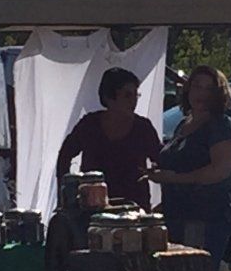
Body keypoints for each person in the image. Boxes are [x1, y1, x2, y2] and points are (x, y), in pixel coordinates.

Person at [149, 64, 231, 270]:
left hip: (204, 218)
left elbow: (219, 171)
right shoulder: (184, 124)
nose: (201, 93)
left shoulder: (221, 126)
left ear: (218, 94)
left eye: (209, 88)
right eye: (197, 86)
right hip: (176, 215)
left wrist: (173, 178)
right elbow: (178, 162)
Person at [54, 66, 162, 209]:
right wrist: (67, 195)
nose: (133, 101)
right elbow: (64, 155)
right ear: (109, 97)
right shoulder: (89, 125)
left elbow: (162, 161)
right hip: (93, 209)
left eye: (136, 95)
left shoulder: (143, 128)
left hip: (133, 209)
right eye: (127, 95)